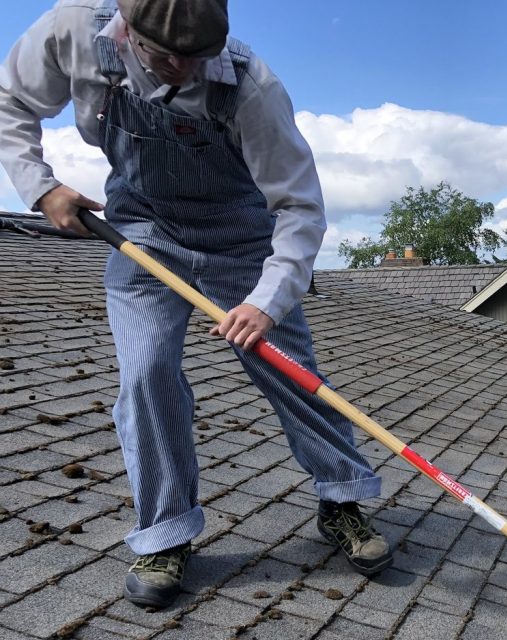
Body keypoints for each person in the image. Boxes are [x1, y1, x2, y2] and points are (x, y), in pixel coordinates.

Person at [0, 0, 392, 609]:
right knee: (147, 371)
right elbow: (11, 102)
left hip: (240, 236)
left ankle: (342, 500)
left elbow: (299, 208)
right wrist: (40, 186)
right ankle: (166, 534)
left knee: (290, 372)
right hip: (144, 228)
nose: (183, 68)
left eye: (197, 57)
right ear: (126, 31)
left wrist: (265, 302)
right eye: (166, 57)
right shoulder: (73, 30)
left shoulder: (251, 87)